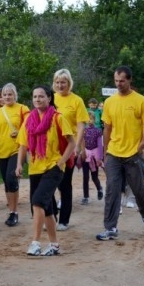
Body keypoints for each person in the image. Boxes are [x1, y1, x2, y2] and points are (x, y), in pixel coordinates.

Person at [97, 66, 144, 241]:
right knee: (112, 190)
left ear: (130, 80)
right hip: (114, 153)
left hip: (133, 154)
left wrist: (140, 146)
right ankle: (110, 228)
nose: (118, 84)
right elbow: (107, 128)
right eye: (116, 81)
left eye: (122, 81)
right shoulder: (109, 102)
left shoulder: (140, 101)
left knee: (138, 190)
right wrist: (105, 151)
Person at [16, 85, 75, 256]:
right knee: (47, 208)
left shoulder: (58, 118)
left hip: (53, 168)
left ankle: (35, 242)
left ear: (49, 98)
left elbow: (71, 142)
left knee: (37, 202)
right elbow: (23, 144)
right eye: (35, 97)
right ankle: (54, 245)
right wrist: (19, 164)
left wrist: (61, 161)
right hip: (35, 168)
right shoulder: (29, 120)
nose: (37, 100)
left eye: (41, 96)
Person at [0, 83, 30, 227]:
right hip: (1, 151)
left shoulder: (23, 109)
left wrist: (20, 131)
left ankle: (14, 212)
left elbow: (29, 125)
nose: (7, 97)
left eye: (10, 94)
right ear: (1, 97)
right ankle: (11, 211)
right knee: (7, 182)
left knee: (11, 179)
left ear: (15, 95)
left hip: (18, 149)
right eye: (5, 94)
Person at [51, 69, 88, 231]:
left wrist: (78, 147)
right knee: (48, 183)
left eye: (63, 82)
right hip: (51, 147)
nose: (60, 85)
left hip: (69, 146)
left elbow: (81, 126)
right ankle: (51, 216)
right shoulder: (50, 98)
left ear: (69, 83)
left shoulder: (77, 100)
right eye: (58, 82)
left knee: (64, 184)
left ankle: (64, 220)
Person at [80, 110, 104, 204]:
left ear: (94, 120)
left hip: (94, 157)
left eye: (91, 119)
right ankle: (86, 197)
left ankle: (99, 189)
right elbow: (81, 141)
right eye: (87, 119)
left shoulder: (98, 131)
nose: (89, 121)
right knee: (85, 177)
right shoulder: (83, 131)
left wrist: (100, 157)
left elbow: (99, 144)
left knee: (94, 176)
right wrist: (82, 152)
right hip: (85, 155)